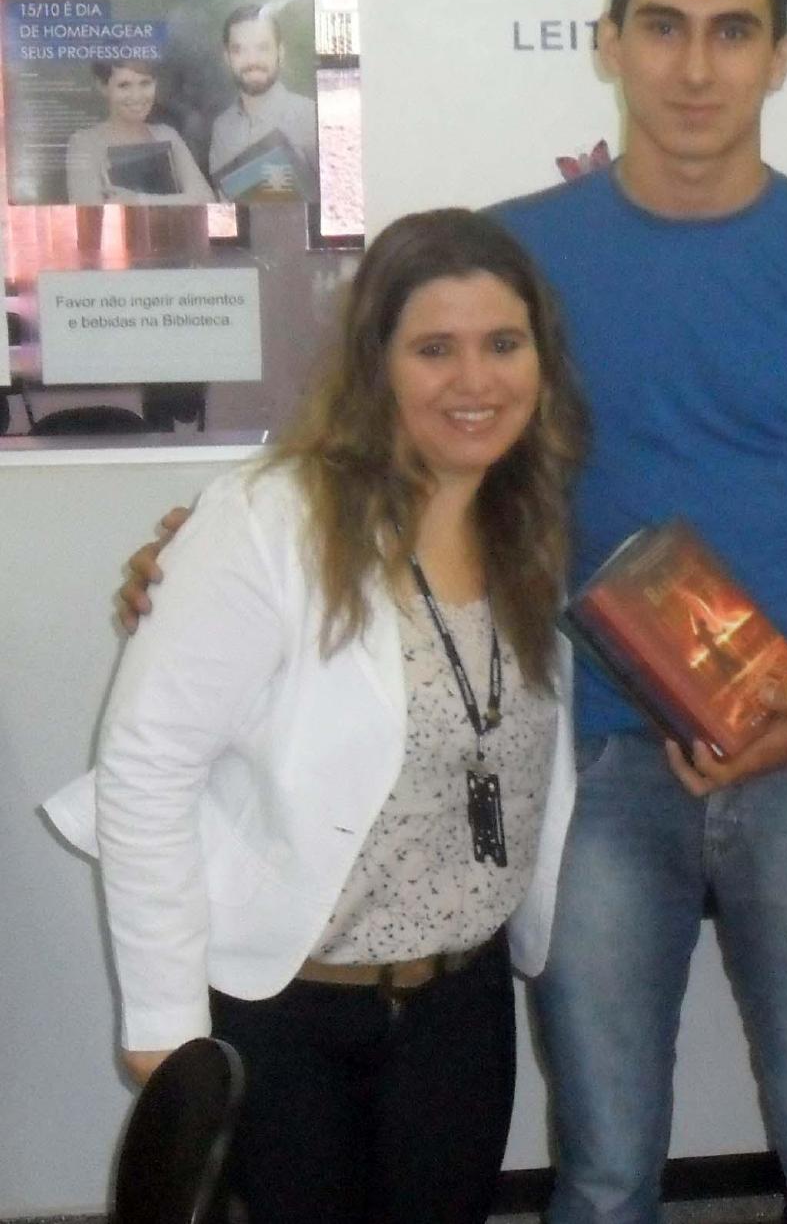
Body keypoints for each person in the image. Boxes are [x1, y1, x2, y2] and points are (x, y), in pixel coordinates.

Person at [125, 0, 787, 1222]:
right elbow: (381, 455)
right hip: (585, 761)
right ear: (608, 41)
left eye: (733, 31)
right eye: (663, 26)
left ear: (782, 54)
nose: (695, 67)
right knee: (606, 1172)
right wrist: (209, 544)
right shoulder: (518, 263)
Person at [45, 208, 587, 1222]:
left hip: (460, 1000)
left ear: (541, 361)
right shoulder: (270, 520)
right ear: (376, 362)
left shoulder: (531, 522)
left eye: (503, 344)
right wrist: (165, 1023)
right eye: (435, 349)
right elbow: (147, 767)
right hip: (288, 1007)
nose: (475, 380)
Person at [63, 57, 214, 204]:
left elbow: (205, 198)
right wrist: (179, 201)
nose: (137, 96)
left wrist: (137, 200)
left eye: (145, 83)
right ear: (103, 87)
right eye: (124, 85)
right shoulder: (85, 143)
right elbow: (89, 212)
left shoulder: (166, 134)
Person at [208, 4, 318, 200]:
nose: (252, 60)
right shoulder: (221, 128)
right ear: (227, 58)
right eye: (239, 50)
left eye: (263, 48)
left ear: (280, 52)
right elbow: (224, 200)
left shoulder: (311, 116)